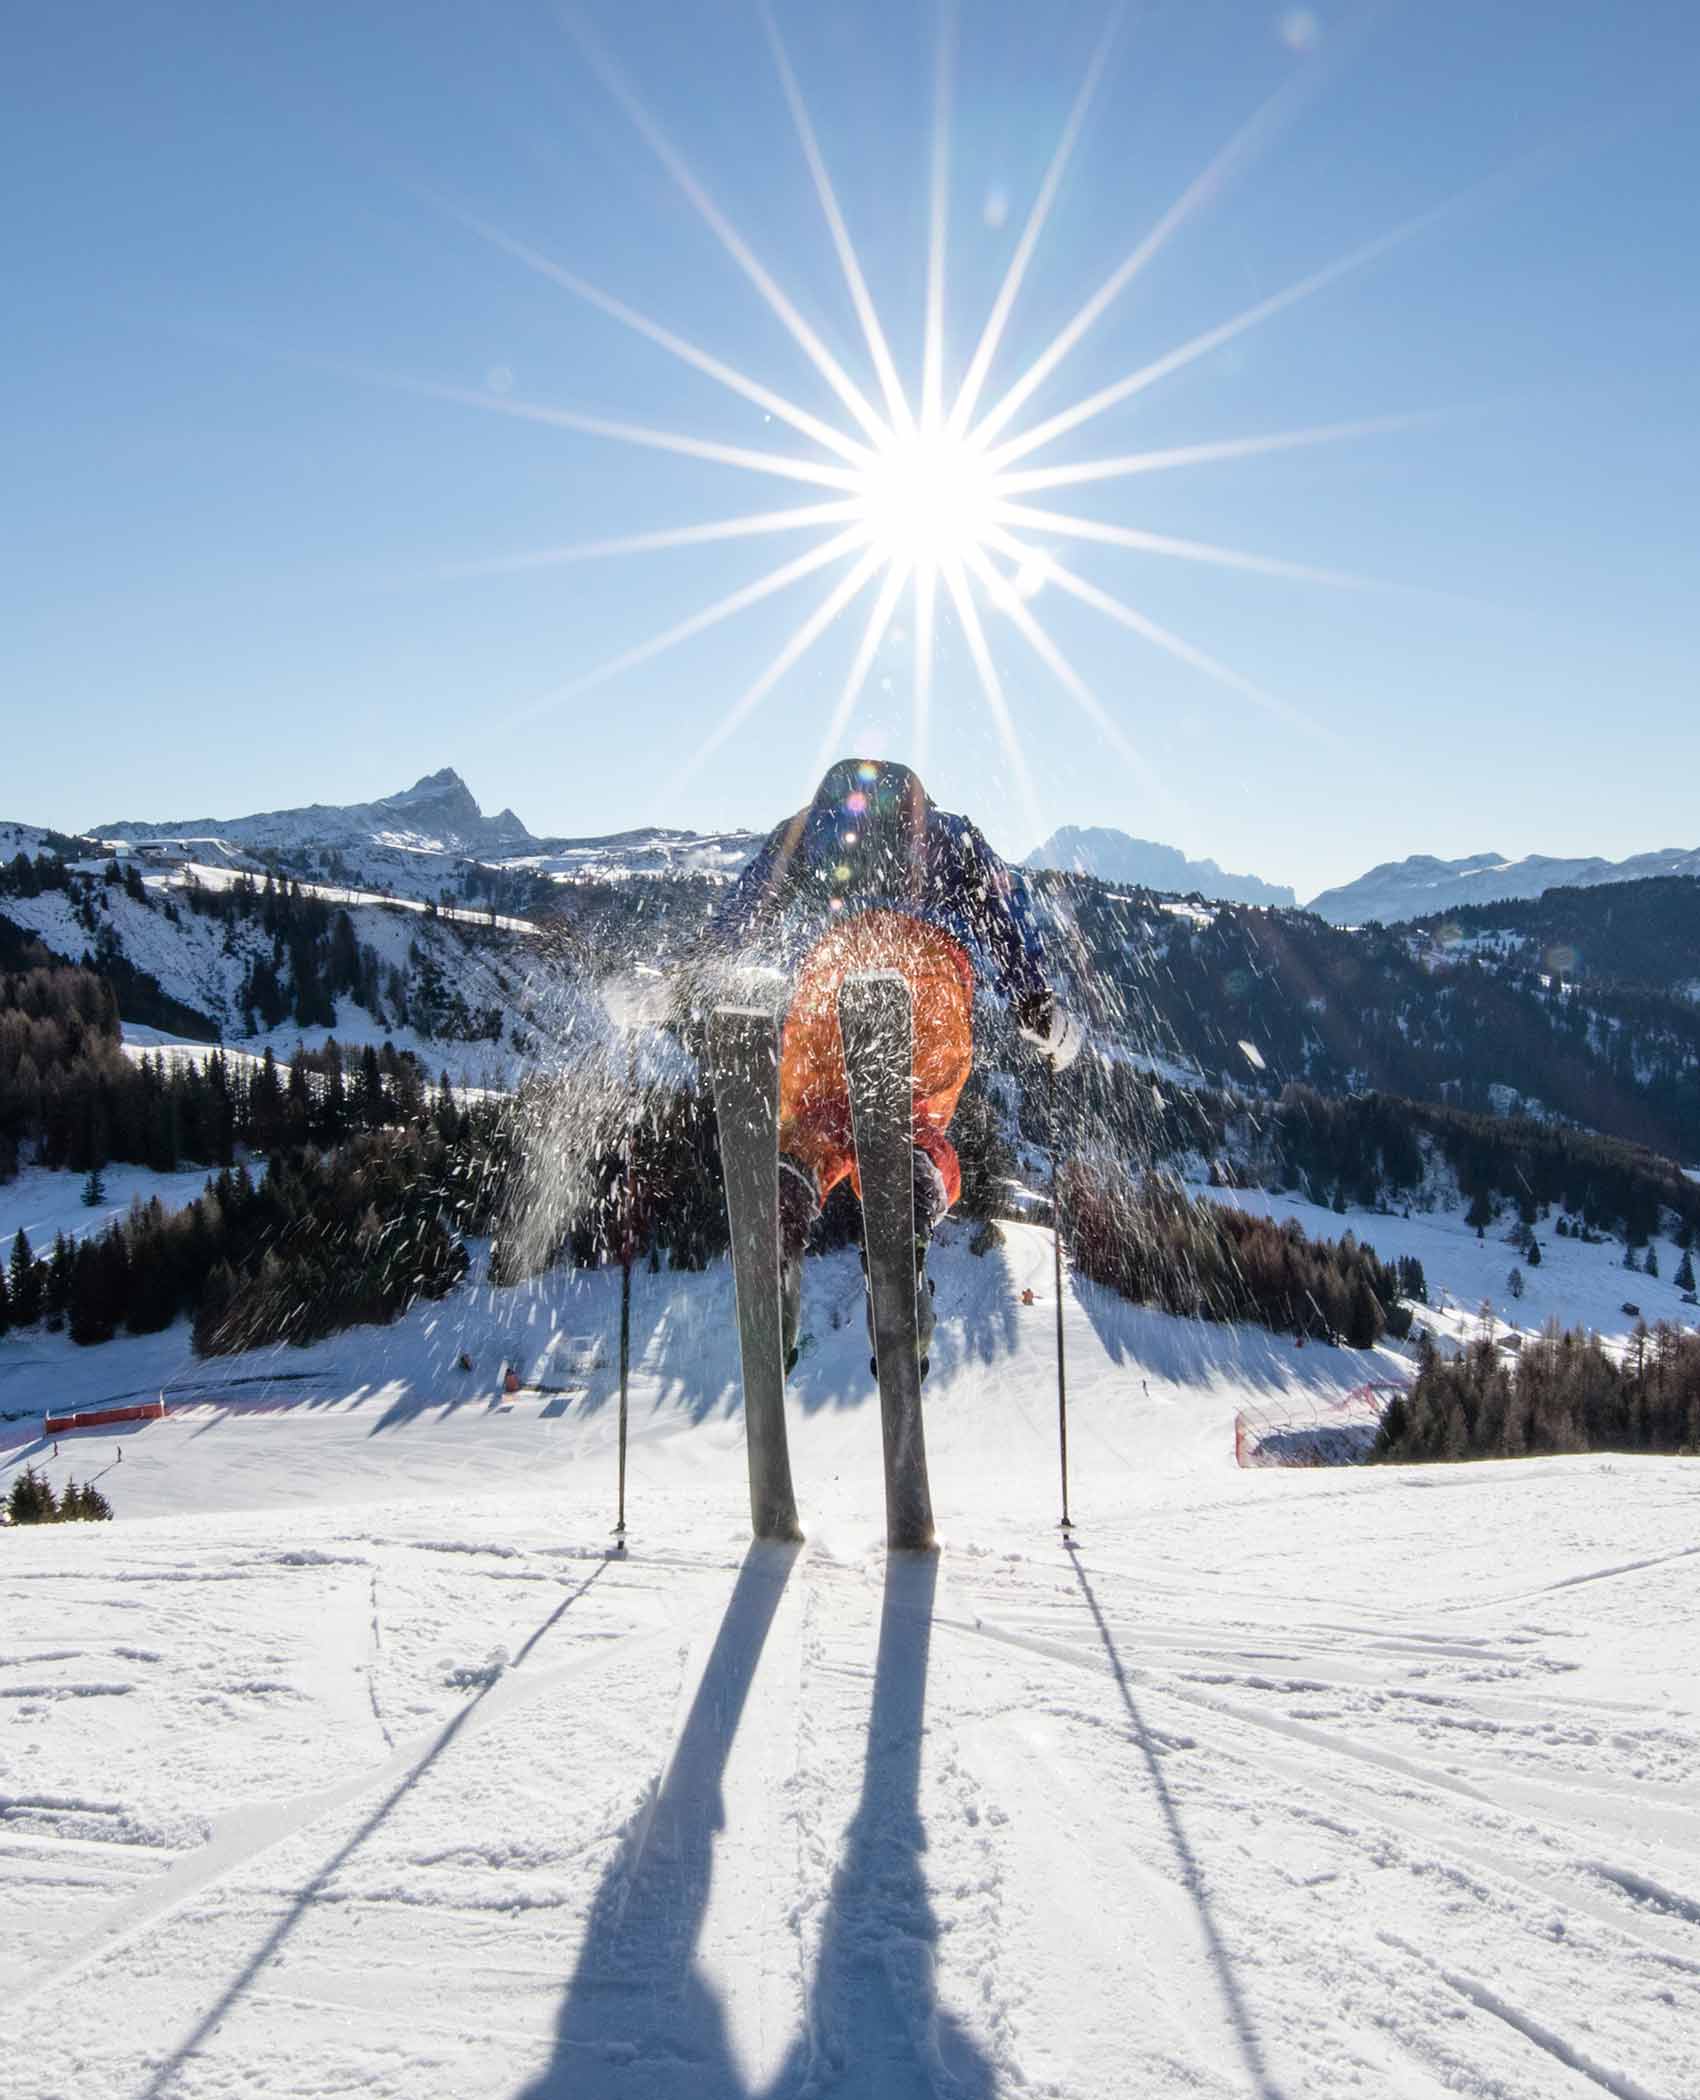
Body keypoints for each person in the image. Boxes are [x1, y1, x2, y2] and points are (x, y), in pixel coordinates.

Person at [689, 758, 1080, 1376]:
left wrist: (688, 979)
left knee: (813, 1121)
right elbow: (1000, 910)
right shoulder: (949, 834)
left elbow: (746, 912)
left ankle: (787, 1208)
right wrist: (1033, 1000)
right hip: (926, 983)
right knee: (915, 1121)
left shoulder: (806, 832)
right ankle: (907, 1204)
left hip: (829, 979)